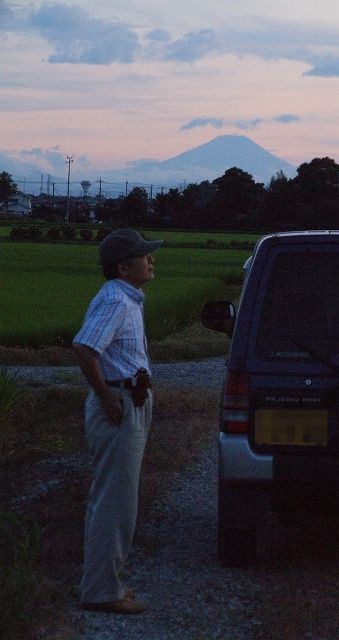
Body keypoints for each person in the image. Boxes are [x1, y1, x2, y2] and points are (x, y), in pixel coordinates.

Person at [73, 228, 162, 615]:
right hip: (120, 402)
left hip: (129, 397)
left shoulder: (126, 298)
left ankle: (103, 585)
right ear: (124, 267)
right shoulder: (115, 301)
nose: (151, 260)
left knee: (112, 498)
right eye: (144, 256)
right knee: (115, 501)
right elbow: (85, 347)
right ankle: (102, 592)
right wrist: (107, 396)